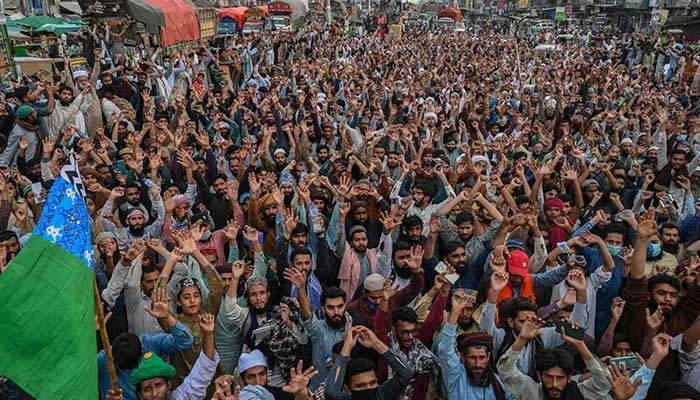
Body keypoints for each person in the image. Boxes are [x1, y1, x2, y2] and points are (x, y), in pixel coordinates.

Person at [105, 313, 219, 400]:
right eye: (147, 389)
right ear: (140, 394)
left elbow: (204, 368)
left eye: (158, 385)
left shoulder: (181, 397)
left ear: (168, 384)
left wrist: (208, 334)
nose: (154, 394)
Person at [497, 316, 611, 399]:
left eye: (560, 378)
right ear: (539, 375)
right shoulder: (532, 393)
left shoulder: (581, 392)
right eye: (549, 377)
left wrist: (579, 345)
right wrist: (522, 339)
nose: (554, 384)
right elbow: (505, 369)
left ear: (569, 377)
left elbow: (604, 381)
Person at [438, 289, 512, 399]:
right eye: (472, 358)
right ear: (463, 357)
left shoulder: (497, 382)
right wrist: (455, 311)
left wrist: (494, 293)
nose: (478, 364)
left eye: (481, 357)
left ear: (488, 357)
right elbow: (445, 349)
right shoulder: (456, 378)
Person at [325, 325, 413, 400]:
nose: (368, 389)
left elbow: (406, 373)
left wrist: (375, 343)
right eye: (360, 386)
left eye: (372, 383)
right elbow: (331, 393)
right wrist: (347, 346)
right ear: (347, 389)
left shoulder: (382, 394)